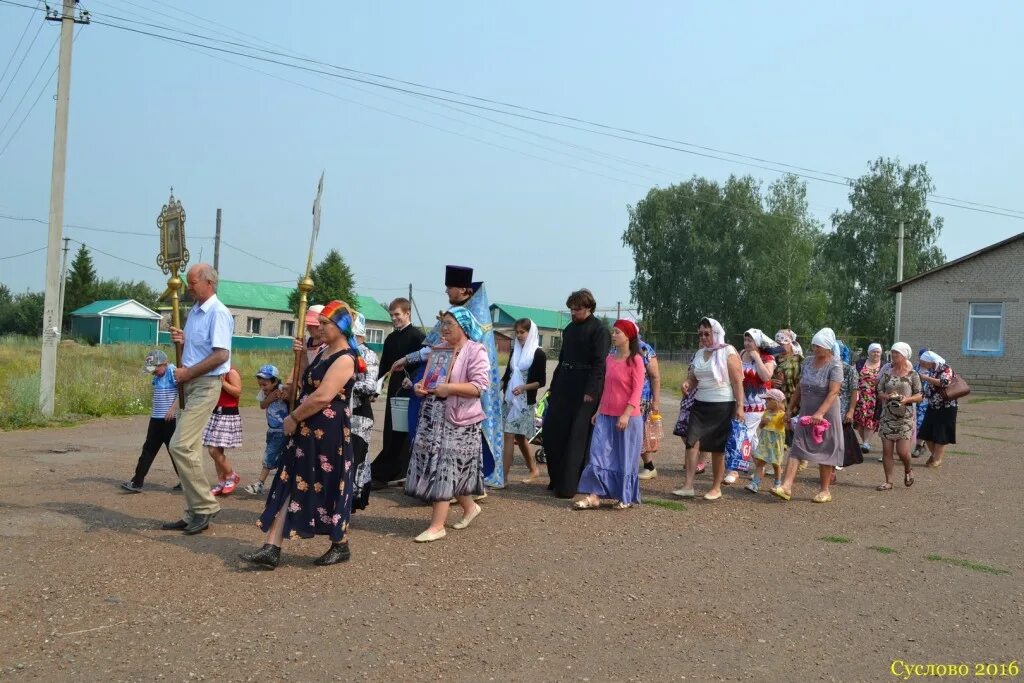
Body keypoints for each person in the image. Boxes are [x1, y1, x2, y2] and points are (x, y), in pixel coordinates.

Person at [239, 300, 363, 569]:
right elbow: (307, 382)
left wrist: (293, 417)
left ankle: (340, 543)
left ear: (340, 327)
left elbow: (322, 396)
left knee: (327, 484)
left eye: (325, 324)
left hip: (327, 432)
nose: (319, 328)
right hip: (306, 429)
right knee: (289, 480)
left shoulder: (345, 359)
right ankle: (272, 547)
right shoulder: (323, 352)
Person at [392, 266, 503, 489]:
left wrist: (448, 385)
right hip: (441, 396)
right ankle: (437, 482)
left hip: (464, 392)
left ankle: (463, 488)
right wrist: (410, 360)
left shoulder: (472, 316)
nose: (446, 291)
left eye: (450, 287)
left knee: (461, 447)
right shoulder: (455, 313)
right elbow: (435, 349)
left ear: (464, 289)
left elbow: (474, 370)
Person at [405, 307, 490, 542]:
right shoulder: (440, 350)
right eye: (443, 324)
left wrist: (449, 388)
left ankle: (437, 525)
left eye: (449, 324)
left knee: (444, 467)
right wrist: (419, 388)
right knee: (447, 469)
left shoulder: (475, 351)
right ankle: (470, 508)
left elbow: (479, 387)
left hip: (459, 421)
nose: (444, 328)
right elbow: (427, 380)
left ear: (463, 327)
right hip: (433, 416)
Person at [161, 263, 233, 536]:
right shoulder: (194, 312)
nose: (188, 288)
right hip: (189, 385)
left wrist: (187, 372)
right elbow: (199, 347)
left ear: (209, 283)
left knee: (180, 445)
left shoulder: (219, 313)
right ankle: (193, 511)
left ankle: (204, 505)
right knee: (186, 448)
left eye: (192, 283)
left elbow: (220, 355)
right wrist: (183, 338)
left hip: (205, 385)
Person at [543, 289, 610, 498]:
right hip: (564, 382)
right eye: (571, 309)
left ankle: (569, 485)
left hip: (585, 388)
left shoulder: (599, 330)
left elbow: (600, 364)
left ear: (588, 307)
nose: (573, 312)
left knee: (576, 437)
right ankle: (557, 479)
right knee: (553, 431)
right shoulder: (570, 329)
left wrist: (592, 391)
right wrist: (553, 385)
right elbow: (562, 359)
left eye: (577, 309)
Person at [573, 319, 645, 510]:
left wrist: (626, 414)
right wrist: (598, 410)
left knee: (625, 457)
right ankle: (594, 495)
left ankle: (625, 496)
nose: (613, 335)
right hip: (606, 414)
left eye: (617, 332)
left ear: (628, 336)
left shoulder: (636, 360)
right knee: (598, 454)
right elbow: (606, 388)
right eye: (613, 332)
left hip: (628, 418)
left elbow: (637, 391)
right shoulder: (609, 359)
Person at [672, 317, 744, 501]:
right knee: (691, 442)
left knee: (717, 448)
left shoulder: (728, 352)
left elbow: (737, 382)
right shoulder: (699, 353)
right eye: (700, 334)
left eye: (707, 333)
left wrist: (741, 407)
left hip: (722, 404)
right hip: (700, 403)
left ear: (716, 333)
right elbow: (693, 376)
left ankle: (716, 487)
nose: (703, 337)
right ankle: (688, 486)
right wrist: (687, 382)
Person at [771, 328, 844, 503]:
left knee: (825, 449)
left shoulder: (835, 365)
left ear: (827, 347)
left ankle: (825, 490)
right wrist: (790, 408)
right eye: (813, 345)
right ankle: (786, 487)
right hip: (806, 411)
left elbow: (834, 392)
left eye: (818, 346)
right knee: (797, 446)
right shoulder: (808, 362)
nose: (815, 348)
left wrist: (820, 413)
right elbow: (799, 387)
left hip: (826, 413)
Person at [370, 298, 425, 488]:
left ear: (407, 313)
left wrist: (415, 380)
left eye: (397, 315)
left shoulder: (418, 337)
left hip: (411, 388)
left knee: (404, 430)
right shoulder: (391, 338)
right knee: (391, 430)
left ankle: (400, 471)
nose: (394, 319)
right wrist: (374, 386)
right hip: (395, 387)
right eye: (391, 315)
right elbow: (384, 366)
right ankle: (391, 470)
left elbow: (423, 364)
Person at [121, 349, 180, 493]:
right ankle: (137, 482)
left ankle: (187, 481)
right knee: (147, 450)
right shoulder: (157, 377)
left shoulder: (173, 372)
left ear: (163, 364)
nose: (153, 373)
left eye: (155, 369)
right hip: (156, 419)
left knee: (176, 452)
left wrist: (173, 409)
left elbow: (183, 392)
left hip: (170, 421)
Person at [500, 318, 547, 483]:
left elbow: (541, 381)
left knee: (509, 435)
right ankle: (533, 469)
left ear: (531, 332)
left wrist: (523, 387)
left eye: (522, 332)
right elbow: (507, 375)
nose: (519, 335)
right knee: (519, 437)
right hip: (510, 399)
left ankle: (503, 478)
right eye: (517, 332)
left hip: (524, 401)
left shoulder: (538, 354)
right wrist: (498, 386)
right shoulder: (515, 351)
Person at [727, 329, 776, 485]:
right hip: (741, 402)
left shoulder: (767, 357)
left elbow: (766, 376)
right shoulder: (741, 354)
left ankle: (734, 470)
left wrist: (757, 358)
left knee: (742, 435)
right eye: (745, 340)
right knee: (753, 440)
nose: (747, 343)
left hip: (758, 405)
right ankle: (761, 468)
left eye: (750, 340)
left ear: (758, 342)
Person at [874, 342, 923, 491]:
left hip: (905, 417)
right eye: (893, 352)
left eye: (897, 353)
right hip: (887, 416)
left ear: (905, 356)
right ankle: (889, 481)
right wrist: (886, 396)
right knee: (887, 451)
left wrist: (907, 399)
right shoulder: (887, 373)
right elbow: (879, 390)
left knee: (902, 452)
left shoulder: (913, 374)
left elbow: (920, 395)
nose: (894, 355)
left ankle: (908, 469)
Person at [242, 365, 288, 496]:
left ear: (274, 381)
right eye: (260, 384)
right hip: (272, 430)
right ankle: (281, 484)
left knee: (269, 456)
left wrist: (284, 396)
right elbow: (262, 405)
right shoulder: (264, 392)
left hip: (282, 430)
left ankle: (260, 483)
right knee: (277, 457)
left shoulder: (281, 389)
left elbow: (291, 398)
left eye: (265, 384)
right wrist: (270, 397)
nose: (262, 387)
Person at [349, 313, 379, 511]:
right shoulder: (342, 351)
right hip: (343, 413)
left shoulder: (368, 355)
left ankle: (352, 501)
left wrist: (346, 383)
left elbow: (370, 386)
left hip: (360, 415)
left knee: (356, 459)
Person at [204, 366, 243, 496]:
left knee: (213, 449)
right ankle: (222, 481)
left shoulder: (231, 372)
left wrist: (223, 382)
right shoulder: (214, 371)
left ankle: (231, 475)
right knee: (216, 451)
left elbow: (237, 392)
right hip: (215, 412)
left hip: (228, 413)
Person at [917, 351, 958, 469]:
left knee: (941, 434)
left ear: (930, 361)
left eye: (923, 362)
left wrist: (925, 378)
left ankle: (937, 459)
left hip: (946, 407)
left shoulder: (946, 369)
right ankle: (935, 455)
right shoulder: (933, 370)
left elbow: (945, 382)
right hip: (932, 406)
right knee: (926, 432)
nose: (922, 364)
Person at [747, 388, 786, 493]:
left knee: (776, 464)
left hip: (776, 443)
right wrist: (763, 422)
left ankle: (777, 484)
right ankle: (755, 484)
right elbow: (761, 426)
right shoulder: (766, 412)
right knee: (760, 463)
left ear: (775, 402)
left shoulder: (782, 415)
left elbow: (786, 425)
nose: (765, 402)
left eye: (768, 400)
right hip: (765, 442)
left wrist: (787, 418)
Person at [772, 329, 803, 449]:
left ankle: (799, 460)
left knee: (795, 431)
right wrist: (772, 382)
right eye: (778, 344)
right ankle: (779, 464)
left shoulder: (799, 360)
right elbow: (767, 378)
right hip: (779, 400)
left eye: (782, 344)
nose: (780, 346)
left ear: (790, 343)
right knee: (780, 433)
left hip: (795, 399)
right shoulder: (774, 360)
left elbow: (803, 380)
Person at [636, 333, 661, 480]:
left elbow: (655, 376)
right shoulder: (615, 349)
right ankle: (648, 465)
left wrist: (656, 401)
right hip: (621, 397)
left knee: (639, 433)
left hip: (641, 398)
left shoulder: (644, 348)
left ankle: (649, 466)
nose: (614, 334)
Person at [835, 341, 862, 471]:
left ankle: (835, 465)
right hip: (826, 409)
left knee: (841, 439)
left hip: (842, 410)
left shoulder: (849, 369)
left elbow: (854, 390)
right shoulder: (825, 367)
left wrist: (851, 411)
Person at [854, 343, 883, 452]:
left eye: (878, 352)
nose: (876, 354)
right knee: (860, 421)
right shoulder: (860, 363)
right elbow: (853, 376)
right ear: (869, 352)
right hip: (860, 397)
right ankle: (865, 441)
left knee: (871, 420)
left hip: (875, 397)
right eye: (874, 351)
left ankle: (866, 443)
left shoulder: (884, 365)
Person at [912, 347, 929, 458]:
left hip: (926, 402)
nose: (923, 359)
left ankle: (919, 445)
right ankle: (916, 445)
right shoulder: (914, 368)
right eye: (921, 357)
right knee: (913, 423)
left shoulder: (932, 370)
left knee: (921, 423)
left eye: (926, 357)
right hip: (913, 400)